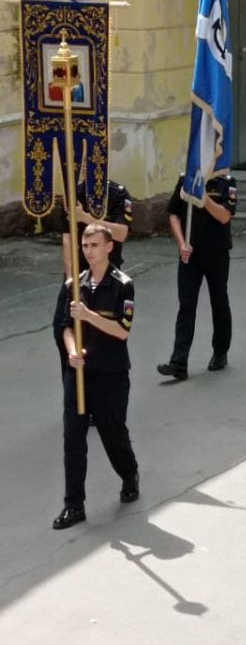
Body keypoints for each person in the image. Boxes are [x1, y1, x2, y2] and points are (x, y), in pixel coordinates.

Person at [52, 223, 139, 530]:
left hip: (110, 374)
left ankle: (129, 474)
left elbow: (122, 331)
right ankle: (73, 505)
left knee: (112, 433)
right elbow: (64, 326)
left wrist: (88, 316)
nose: (89, 251)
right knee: (73, 439)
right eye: (85, 246)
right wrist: (72, 351)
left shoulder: (122, 285)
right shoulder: (73, 285)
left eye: (94, 245)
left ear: (108, 247)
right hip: (78, 375)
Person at [157, 173, 237, 380]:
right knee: (186, 306)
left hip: (217, 252)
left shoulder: (226, 182)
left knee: (219, 301)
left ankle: (220, 351)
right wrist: (181, 243)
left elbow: (224, 216)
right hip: (190, 253)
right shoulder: (186, 179)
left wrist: (203, 196)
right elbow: (174, 214)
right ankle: (179, 362)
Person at [53, 176, 133, 377]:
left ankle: (105, 393)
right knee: (63, 332)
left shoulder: (117, 193)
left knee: (103, 337)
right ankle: (73, 390)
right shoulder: (74, 194)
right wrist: (72, 284)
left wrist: (86, 217)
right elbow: (67, 240)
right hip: (79, 279)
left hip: (106, 279)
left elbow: (122, 233)